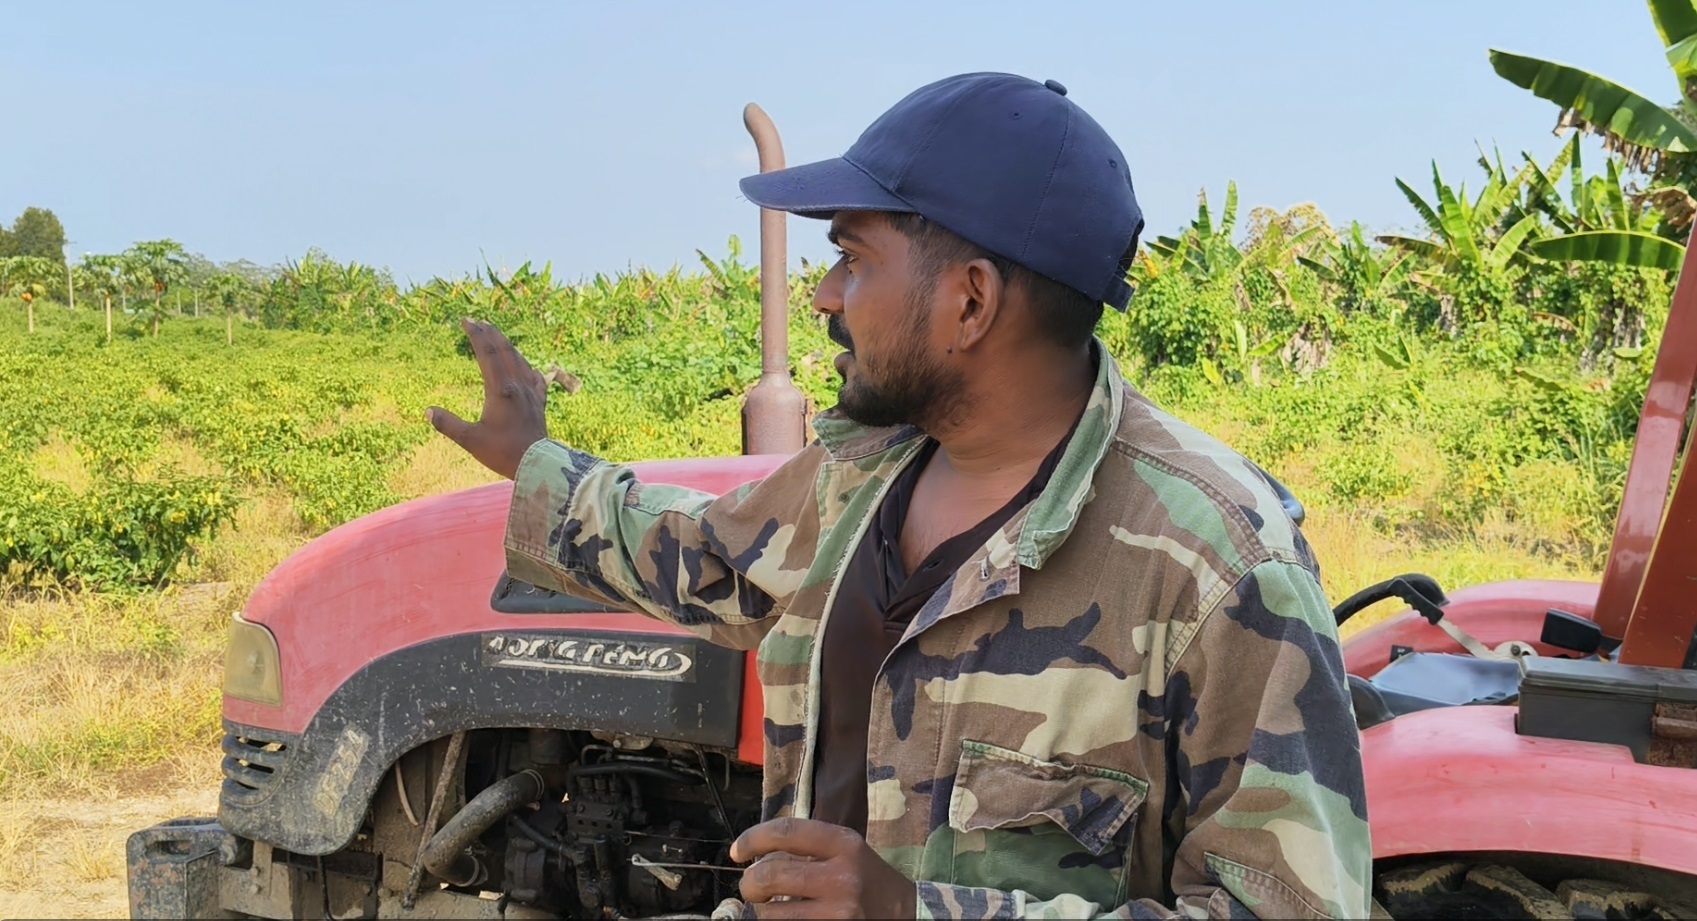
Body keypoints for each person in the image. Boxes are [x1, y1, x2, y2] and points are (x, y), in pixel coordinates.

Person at [428, 72, 1372, 920]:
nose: (825, 295)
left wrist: (910, 912)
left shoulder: (1218, 564)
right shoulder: (865, 470)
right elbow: (710, 557)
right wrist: (535, 463)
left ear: (970, 301)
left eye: (854, 258)